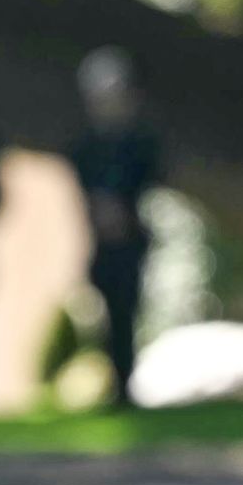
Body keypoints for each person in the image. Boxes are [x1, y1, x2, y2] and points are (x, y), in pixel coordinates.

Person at [67, 47, 164, 406]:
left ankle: (126, 387)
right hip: (99, 241)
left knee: (128, 312)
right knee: (105, 315)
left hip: (131, 238)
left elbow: (149, 178)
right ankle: (113, 383)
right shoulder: (86, 144)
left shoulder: (140, 142)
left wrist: (122, 208)